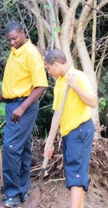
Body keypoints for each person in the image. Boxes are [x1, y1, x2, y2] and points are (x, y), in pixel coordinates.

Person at [0, 21, 48, 207]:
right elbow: (13, 84)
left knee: (11, 148)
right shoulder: (14, 52)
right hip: (12, 105)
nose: (12, 42)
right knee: (21, 148)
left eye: (14, 38)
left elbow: (40, 86)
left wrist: (22, 108)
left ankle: (12, 194)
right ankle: (22, 192)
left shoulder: (31, 54)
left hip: (24, 106)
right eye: (9, 40)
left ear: (23, 33)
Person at [44, 49, 97, 208]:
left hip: (80, 129)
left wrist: (75, 87)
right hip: (69, 134)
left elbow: (93, 102)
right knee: (75, 173)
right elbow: (56, 115)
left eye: (48, 68)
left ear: (56, 64)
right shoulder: (59, 82)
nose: (48, 71)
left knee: (75, 173)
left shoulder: (77, 77)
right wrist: (50, 141)